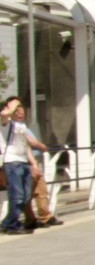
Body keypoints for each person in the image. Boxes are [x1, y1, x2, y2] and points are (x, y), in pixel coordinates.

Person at [16, 105, 63, 229]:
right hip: (28, 162)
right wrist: (43, 147)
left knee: (39, 190)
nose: (21, 114)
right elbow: (31, 142)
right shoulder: (17, 127)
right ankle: (36, 218)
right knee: (32, 191)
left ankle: (43, 216)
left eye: (22, 112)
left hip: (32, 161)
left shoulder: (23, 126)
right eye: (18, 112)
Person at [0, 96, 41, 235]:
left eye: (21, 108)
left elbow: (27, 147)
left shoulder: (21, 126)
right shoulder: (5, 123)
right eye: (16, 109)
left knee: (26, 196)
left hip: (24, 162)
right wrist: (12, 105)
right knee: (17, 195)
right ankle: (12, 225)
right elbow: (4, 114)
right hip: (12, 162)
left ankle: (7, 223)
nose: (20, 111)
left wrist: (34, 164)